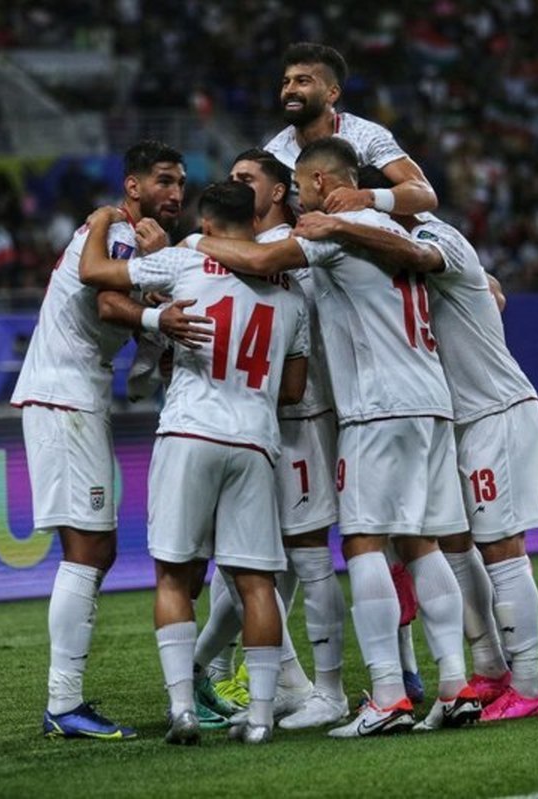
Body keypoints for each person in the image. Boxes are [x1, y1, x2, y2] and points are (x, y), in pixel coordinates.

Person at [191, 137, 481, 737]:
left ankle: (387, 697)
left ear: (321, 182)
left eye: (300, 187)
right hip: (430, 402)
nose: (300, 200)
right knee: (420, 544)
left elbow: (263, 261)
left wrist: (193, 244)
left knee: (364, 544)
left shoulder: (331, 230)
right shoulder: (399, 230)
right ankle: (455, 687)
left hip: (376, 408)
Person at [293, 204, 538, 723]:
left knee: (502, 547)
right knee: (454, 542)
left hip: (493, 408)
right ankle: (489, 668)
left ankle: (528, 685)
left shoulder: (437, 237)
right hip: (451, 414)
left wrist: (342, 225)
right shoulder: (390, 259)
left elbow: (475, 281)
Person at [78, 181, 310, 745]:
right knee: (257, 583)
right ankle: (260, 718)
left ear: (207, 224)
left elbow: (94, 275)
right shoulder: (292, 294)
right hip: (255, 441)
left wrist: (101, 220)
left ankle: (183, 710)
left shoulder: (184, 261)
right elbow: (293, 390)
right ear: (253, 222)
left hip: (189, 431)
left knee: (174, 575)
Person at [10, 140, 211, 741]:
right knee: (91, 549)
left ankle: (65, 702)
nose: (175, 192)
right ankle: (63, 703)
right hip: (65, 398)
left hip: (73, 395)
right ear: (133, 186)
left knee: (93, 548)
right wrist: (155, 318)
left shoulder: (125, 235)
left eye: (181, 182)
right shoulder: (120, 232)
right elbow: (106, 300)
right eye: (164, 180)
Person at [191, 149, 348, 730]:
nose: (233, 184)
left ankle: (327, 690)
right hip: (250, 423)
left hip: (299, 417)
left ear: (278, 192)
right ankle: (265, 679)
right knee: (245, 563)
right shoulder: (244, 249)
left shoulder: (291, 244)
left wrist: (192, 242)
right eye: (230, 177)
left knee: (306, 555)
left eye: (246, 178)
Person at [264, 42, 437, 215]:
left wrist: (366, 197)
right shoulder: (273, 155)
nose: (289, 90)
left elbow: (425, 194)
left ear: (332, 93)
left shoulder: (365, 135)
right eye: (286, 82)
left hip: (392, 229)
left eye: (302, 81)